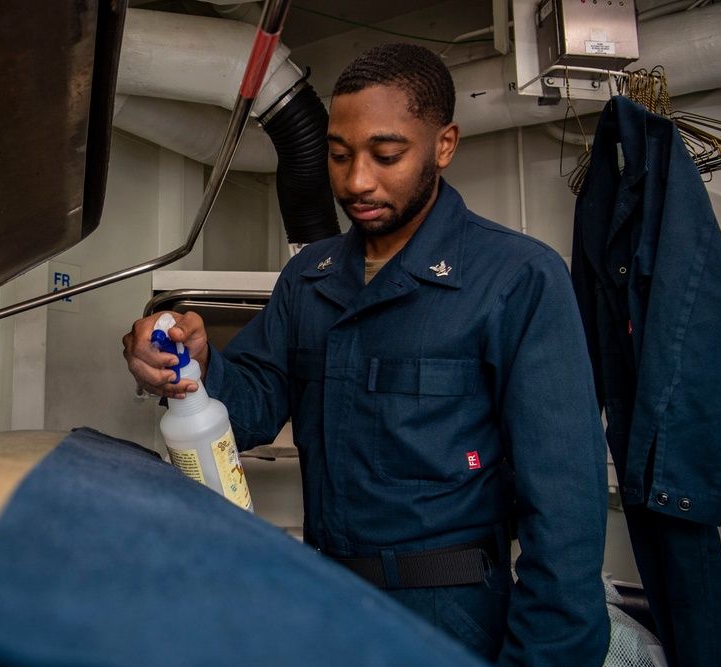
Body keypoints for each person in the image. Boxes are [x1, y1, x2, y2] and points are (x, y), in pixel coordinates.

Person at [124, 43, 611, 665]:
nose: (356, 181)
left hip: (450, 618)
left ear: (444, 145)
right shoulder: (311, 279)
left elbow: (566, 512)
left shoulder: (515, 278)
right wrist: (187, 364)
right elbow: (246, 408)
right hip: (328, 604)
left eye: (386, 155)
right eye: (337, 155)